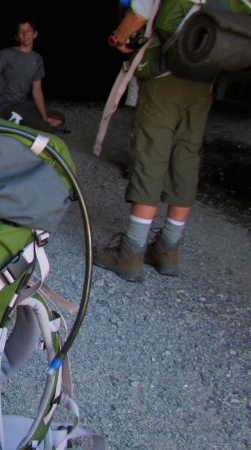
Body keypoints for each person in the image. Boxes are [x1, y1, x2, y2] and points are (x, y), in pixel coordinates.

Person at [92, 0, 213, 282]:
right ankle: (168, 249)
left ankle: (131, 252)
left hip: (165, 72)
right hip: (205, 75)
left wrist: (117, 40)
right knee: (187, 155)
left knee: (151, 154)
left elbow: (138, 15)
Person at [0, 20, 65, 134]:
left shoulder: (37, 59)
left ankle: (20, 123)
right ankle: (13, 120)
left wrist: (43, 118)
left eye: (28, 30)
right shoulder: (6, 53)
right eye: (21, 31)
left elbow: (37, 91)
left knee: (59, 119)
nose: (25, 34)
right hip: (6, 104)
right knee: (46, 129)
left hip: (22, 104)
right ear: (17, 37)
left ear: (35, 34)